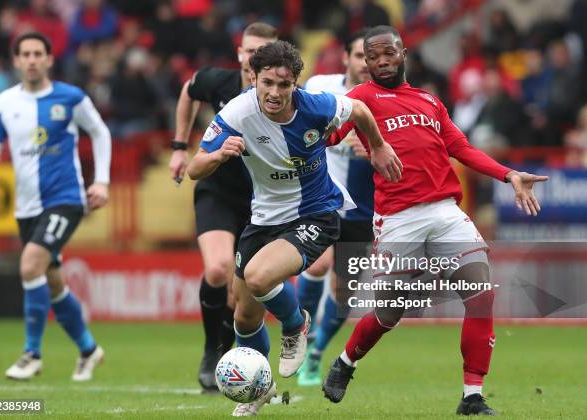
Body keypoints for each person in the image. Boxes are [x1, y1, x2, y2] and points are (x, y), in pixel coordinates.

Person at [321, 26, 548, 416]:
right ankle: (345, 362)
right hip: (397, 218)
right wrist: (337, 132)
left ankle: (472, 395)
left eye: (387, 53)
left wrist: (508, 174)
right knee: (390, 311)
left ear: (403, 52)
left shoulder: (429, 100)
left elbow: (460, 147)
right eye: (371, 57)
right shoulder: (359, 97)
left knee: (480, 294)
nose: (380, 62)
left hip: (445, 211)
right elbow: (329, 135)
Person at [186, 40, 402, 416]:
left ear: (295, 84)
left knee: (257, 277)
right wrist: (220, 155)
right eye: (267, 82)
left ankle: (295, 322)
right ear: (253, 78)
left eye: (283, 85)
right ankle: (258, 387)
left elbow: (361, 110)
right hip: (263, 219)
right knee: (244, 314)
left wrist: (379, 146)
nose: (274, 93)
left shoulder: (316, 105)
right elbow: (194, 168)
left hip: (315, 214)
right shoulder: (237, 112)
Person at [0, 32, 111, 381]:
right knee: (51, 281)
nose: (33, 59)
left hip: (65, 199)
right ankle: (88, 349)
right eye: (26, 54)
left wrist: (101, 181)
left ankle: (31, 354)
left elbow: (100, 132)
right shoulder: (4, 103)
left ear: (49, 59)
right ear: (17, 60)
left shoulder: (70, 97)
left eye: (39, 53)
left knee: (29, 265)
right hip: (26, 207)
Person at [168, 22, 278, 391]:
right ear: (240, 53)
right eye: (249, 50)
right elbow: (188, 90)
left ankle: (232, 351)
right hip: (217, 189)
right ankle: (212, 350)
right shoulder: (219, 83)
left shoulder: (285, 99)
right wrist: (180, 146)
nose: (253, 57)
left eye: (263, 50)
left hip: (263, 202)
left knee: (242, 290)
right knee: (216, 270)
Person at [296, 28, 374, 387]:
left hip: (363, 209)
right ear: (346, 58)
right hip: (322, 198)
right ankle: (301, 335)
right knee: (318, 263)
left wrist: (376, 149)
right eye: (359, 55)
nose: (365, 63)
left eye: (371, 57)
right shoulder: (320, 88)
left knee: (345, 290)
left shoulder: (387, 100)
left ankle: (315, 354)